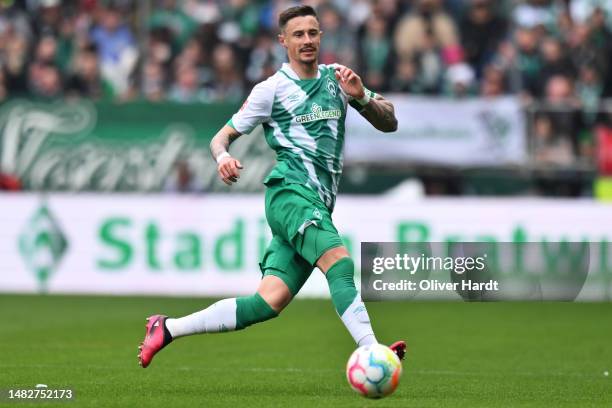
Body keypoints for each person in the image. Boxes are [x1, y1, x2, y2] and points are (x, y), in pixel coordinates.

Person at [138, 5, 405, 368]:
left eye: (312, 33)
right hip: (290, 195)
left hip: (316, 203)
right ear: (283, 41)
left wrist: (360, 96)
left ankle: (166, 328)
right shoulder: (272, 89)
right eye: (298, 35)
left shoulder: (338, 80)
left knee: (267, 303)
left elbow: (390, 122)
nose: (307, 40)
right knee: (339, 265)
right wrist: (222, 159)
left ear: (321, 36)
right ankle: (373, 350)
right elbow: (220, 138)